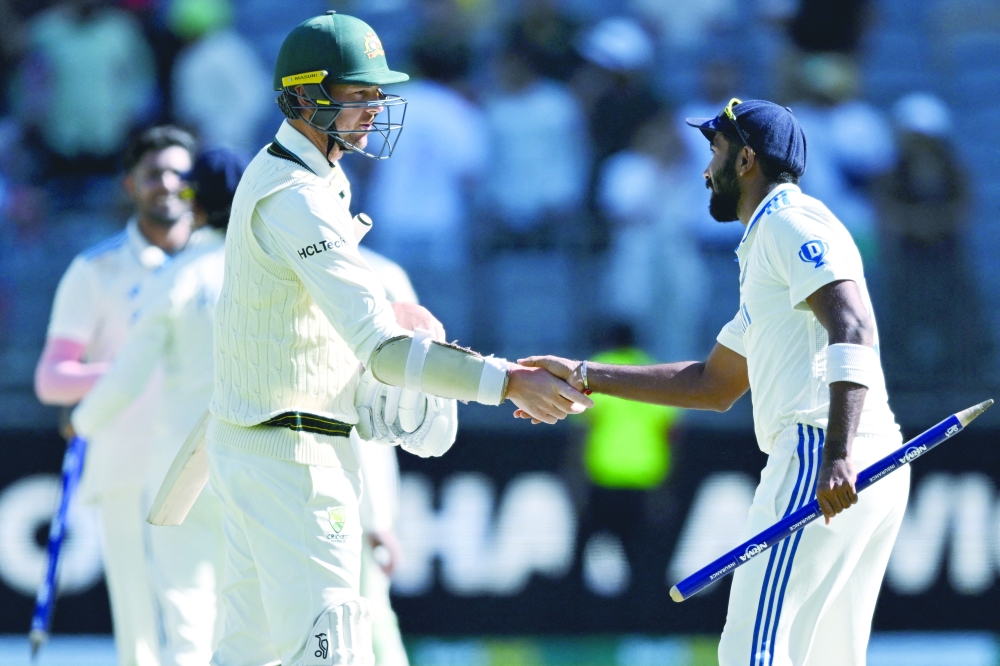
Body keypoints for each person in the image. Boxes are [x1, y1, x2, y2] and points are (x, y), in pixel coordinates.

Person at [205, 13, 592, 666]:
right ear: (303, 97)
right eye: (356, 95)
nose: (373, 108)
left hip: (267, 446)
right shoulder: (293, 196)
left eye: (375, 94)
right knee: (330, 649)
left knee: (246, 653)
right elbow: (381, 349)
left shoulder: (310, 178)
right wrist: (506, 382)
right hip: (293, 458)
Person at [520, 99, 909, 666]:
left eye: (715, 151)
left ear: (746, 159)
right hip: (863, 460)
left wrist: (837, 454)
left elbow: (853, 325)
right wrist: (584, 375)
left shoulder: (786, 222)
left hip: (821, 452)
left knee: (751, 654)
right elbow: (713, 383)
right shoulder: (767, 246)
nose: (705, 170)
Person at [70, 148, 248, 666]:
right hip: (258, 458)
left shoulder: (175, 277)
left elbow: (126, 380)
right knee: (251, 612)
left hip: (181, 466)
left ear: (193, 202)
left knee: (186, 614)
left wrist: (80, 423)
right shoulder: (269, 271)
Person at [34, 125, 201, 666]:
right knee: (140, 633)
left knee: (201, 622)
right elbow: (53, 378)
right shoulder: (95, 269)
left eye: (181, 173)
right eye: (155, 174)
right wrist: (132, 373)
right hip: (124, 470)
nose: (169, 185)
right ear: (130, 184)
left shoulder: (218, 266)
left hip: (203, 470)